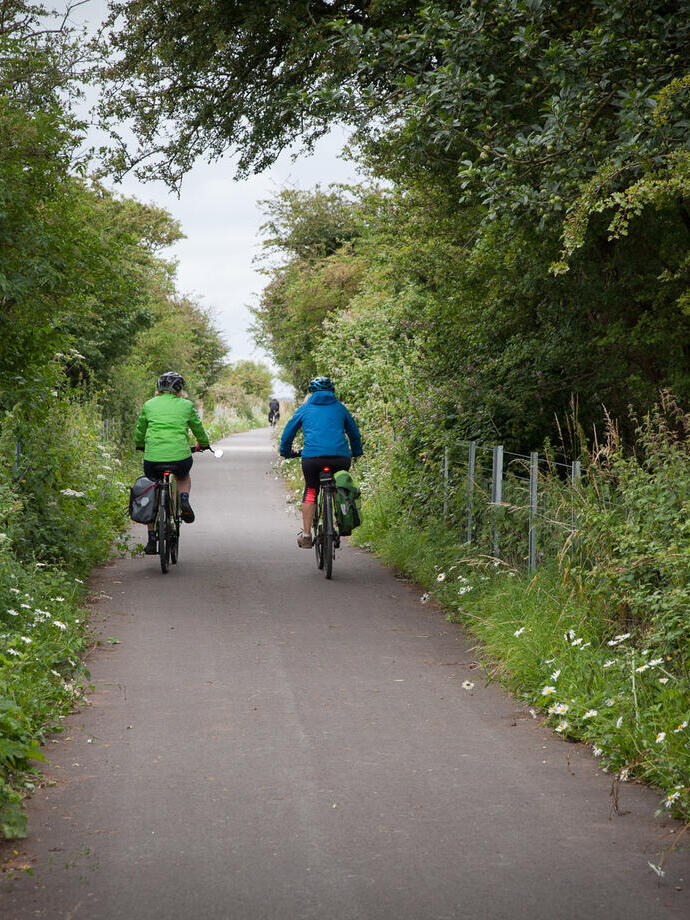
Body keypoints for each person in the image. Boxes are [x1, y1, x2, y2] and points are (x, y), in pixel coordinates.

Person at [280, 376, 362, 548]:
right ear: (332, 391)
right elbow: (354, 433)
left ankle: (307, 535)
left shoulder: (305, 409)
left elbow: (288, 432)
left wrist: (286, 452)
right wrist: (356, 452)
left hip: (312, 459)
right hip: (340, 458)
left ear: (311, 392)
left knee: (311, 489)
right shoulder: (340, 408)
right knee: (338, 486)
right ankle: (342, 520)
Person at [135, 371, 210, 554]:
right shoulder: (186, 405)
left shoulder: (149, 405)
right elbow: (197, 428)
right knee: (183, 476)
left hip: (153, 459)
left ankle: (152, 539)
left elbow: (141, 429)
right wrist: (204, 444)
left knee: (152, 490)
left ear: (159, 388)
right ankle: (183, 499)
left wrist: (139, 444)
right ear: (179, 389)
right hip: (180, 458)